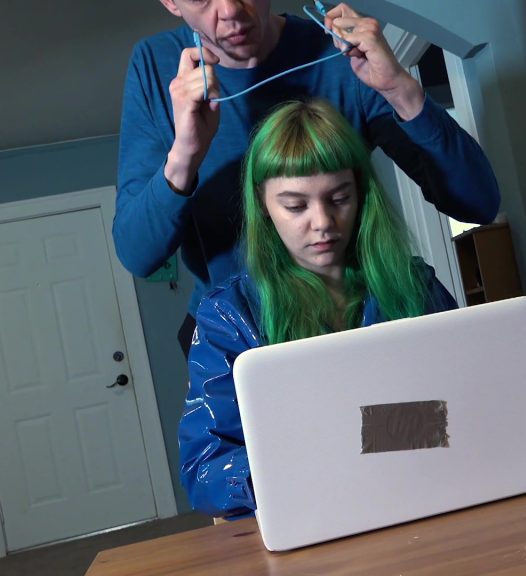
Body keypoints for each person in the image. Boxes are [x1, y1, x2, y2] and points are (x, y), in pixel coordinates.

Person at [114, 0, 500, 357]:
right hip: (236, 336)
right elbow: (138, 255)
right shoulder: (155, 67)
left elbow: (478, 203)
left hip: (357, 319)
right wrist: (185, 153)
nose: (230, 9)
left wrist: (402, 90)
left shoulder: (342, 54)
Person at [179, 99, 458, 519]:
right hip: (309, 517)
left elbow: (462, 408)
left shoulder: (416, 284)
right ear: (263, 205)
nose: (323, 222)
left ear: (360, 194)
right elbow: (205, 470)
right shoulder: (229, 315)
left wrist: (331, 442)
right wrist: (346, 449)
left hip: (424, 498)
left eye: (339, 198)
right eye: (295, 206)